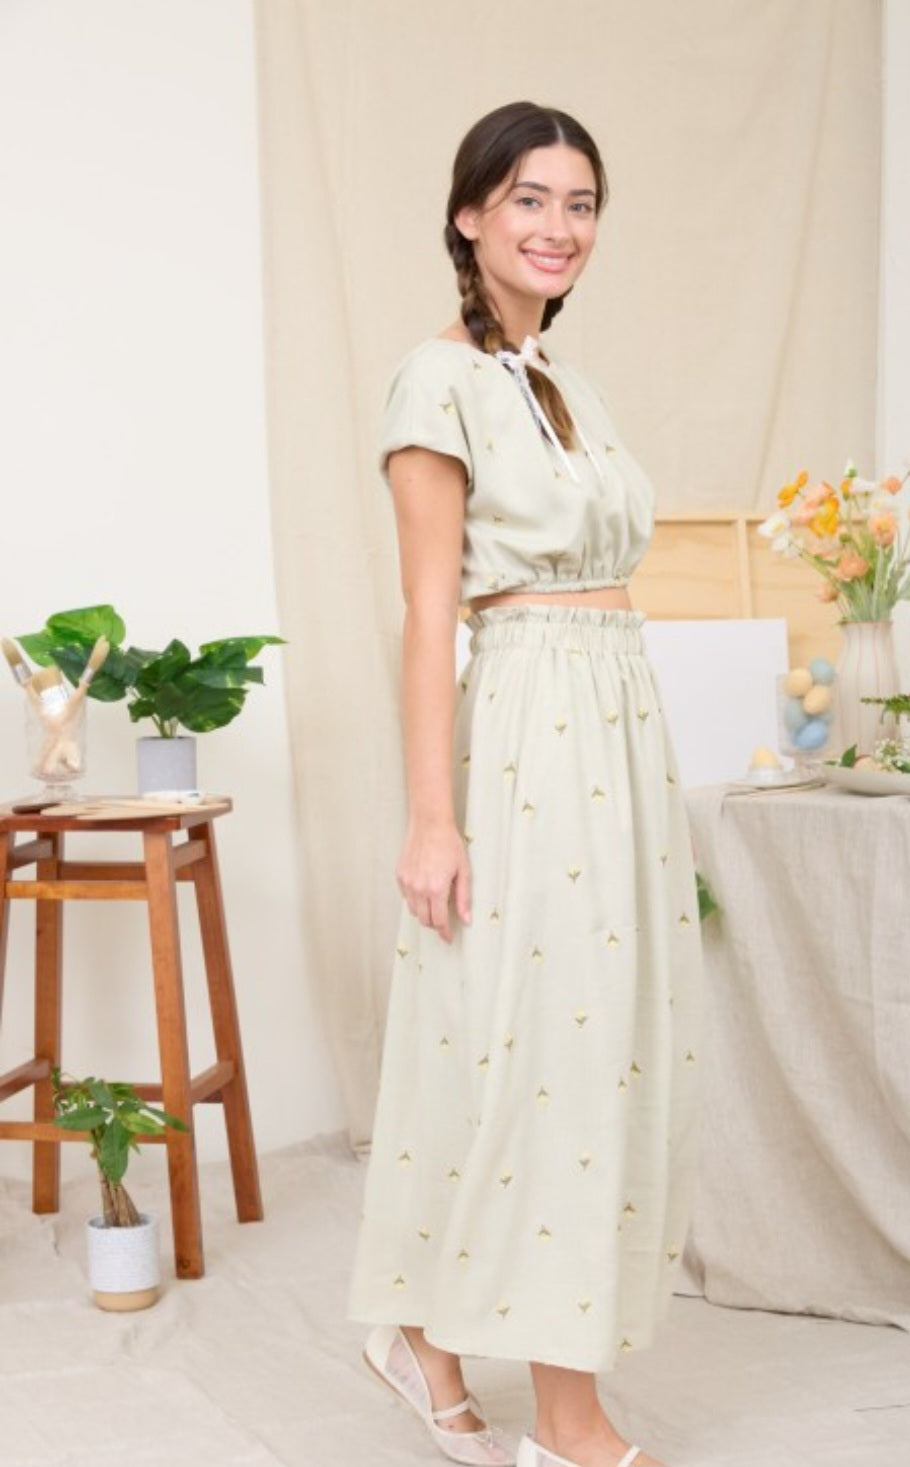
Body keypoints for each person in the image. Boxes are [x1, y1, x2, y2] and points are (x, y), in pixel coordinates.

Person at [348, 100, 702, 1467]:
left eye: (579, 203)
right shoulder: (430, 382)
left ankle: (421, 1330)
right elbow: (427, 609)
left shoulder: (568, 380)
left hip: (612, 720)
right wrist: (432, 817)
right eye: (529, 200)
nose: (558, 228)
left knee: (582, 1048)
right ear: (468, 216)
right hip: (524, 730)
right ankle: (567, 1418)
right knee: (538, 1051)